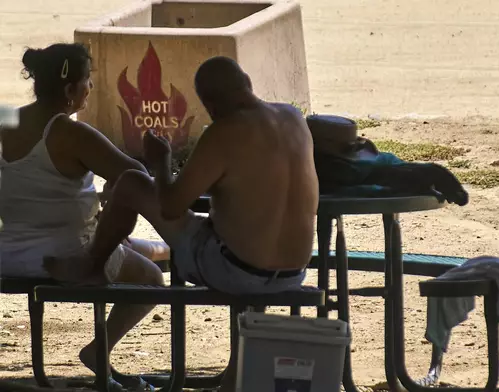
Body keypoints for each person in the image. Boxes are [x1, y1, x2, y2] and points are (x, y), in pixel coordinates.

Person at [44, 56, 320, 390]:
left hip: (236, 271)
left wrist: (162, 162)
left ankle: (94, 263)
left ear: (211, 105)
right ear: (246, 81)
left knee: (132, 182)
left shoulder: (224, 132)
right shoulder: (293, 118)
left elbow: (173, 206)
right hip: (292, 273)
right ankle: (233, 376)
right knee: (237, 233)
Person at [0, 43, 165, 391]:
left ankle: (161, 248)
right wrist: (111, 195)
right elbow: (134, 176)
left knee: (138, 246)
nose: (90, 88)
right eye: (87, 81)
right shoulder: (69, 133)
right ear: (69, 89)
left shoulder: (7, 120)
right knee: (152, 279)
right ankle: (97, 350)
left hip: (10, 254)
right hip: (70, 255)